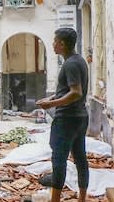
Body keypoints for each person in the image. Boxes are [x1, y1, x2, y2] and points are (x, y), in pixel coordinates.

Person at [36, 28, 89, 202]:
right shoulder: (79, 60)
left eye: (55, 41)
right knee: (80, 158)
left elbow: (75, 92)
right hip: (81, 117)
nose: (53, 44)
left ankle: (55, 199)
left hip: (67, 119)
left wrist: (51, 104)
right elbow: (67, 89)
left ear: (62, 44)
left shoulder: (70, 64)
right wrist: (51, 97)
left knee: (59, 160)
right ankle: (82, 198)